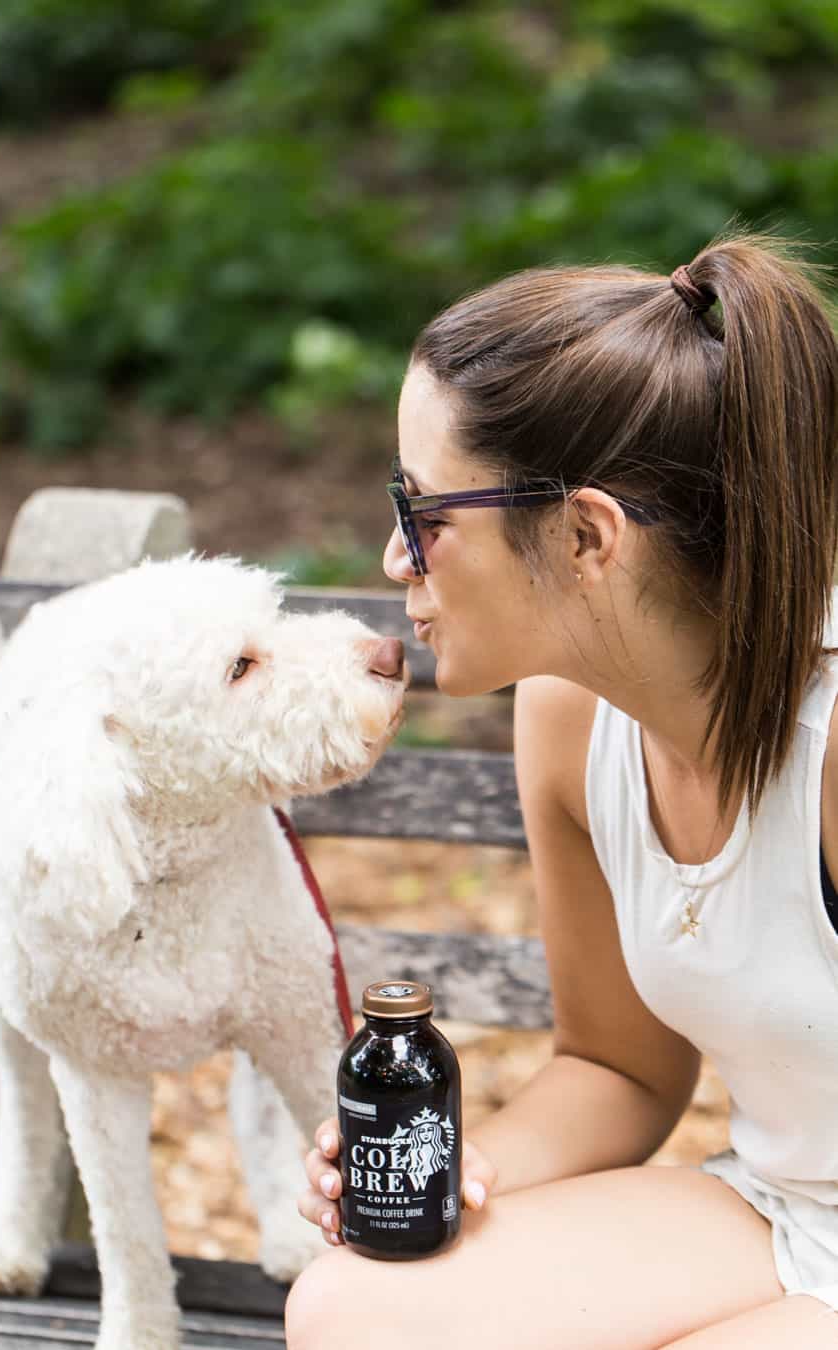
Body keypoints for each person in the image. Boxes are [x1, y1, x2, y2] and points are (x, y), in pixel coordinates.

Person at [287, 228, 838, 1349]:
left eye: (425, 515)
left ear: (587, 535)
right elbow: (618, 1066)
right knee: (352, 1311)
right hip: (787, 1214)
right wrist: (454, 1168)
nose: (397, 560)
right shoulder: (568, 718)